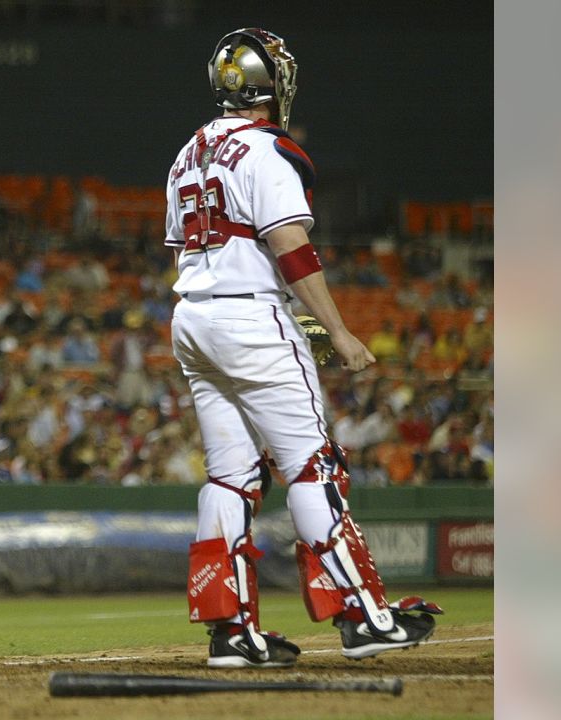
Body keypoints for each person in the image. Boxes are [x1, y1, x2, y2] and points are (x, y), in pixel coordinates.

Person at [165, 28, 441, 669]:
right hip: (251, 320)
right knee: (313, 469)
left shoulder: (187, 152)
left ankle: (230, 632)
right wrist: (340, 331)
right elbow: (289, 243)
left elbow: (187, 250)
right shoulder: (265, 150)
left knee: (229, 478)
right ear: (272, 85)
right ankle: (364, 616)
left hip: (194, 317)